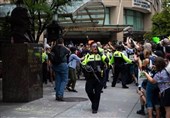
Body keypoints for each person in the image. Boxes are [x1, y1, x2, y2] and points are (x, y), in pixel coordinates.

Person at [81, 42, 109, 114]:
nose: (95, 48)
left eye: (96, 46)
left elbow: (107, 60)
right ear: (91, 48)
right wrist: (86, 66)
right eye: (93, 46)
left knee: (97, 93)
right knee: (88, 90)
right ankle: (94, 102)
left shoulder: (101, 55)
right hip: (90, 77)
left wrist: (101, 54)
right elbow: (83, 63)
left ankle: (95, 108)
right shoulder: (88, 55)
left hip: (99, 77)